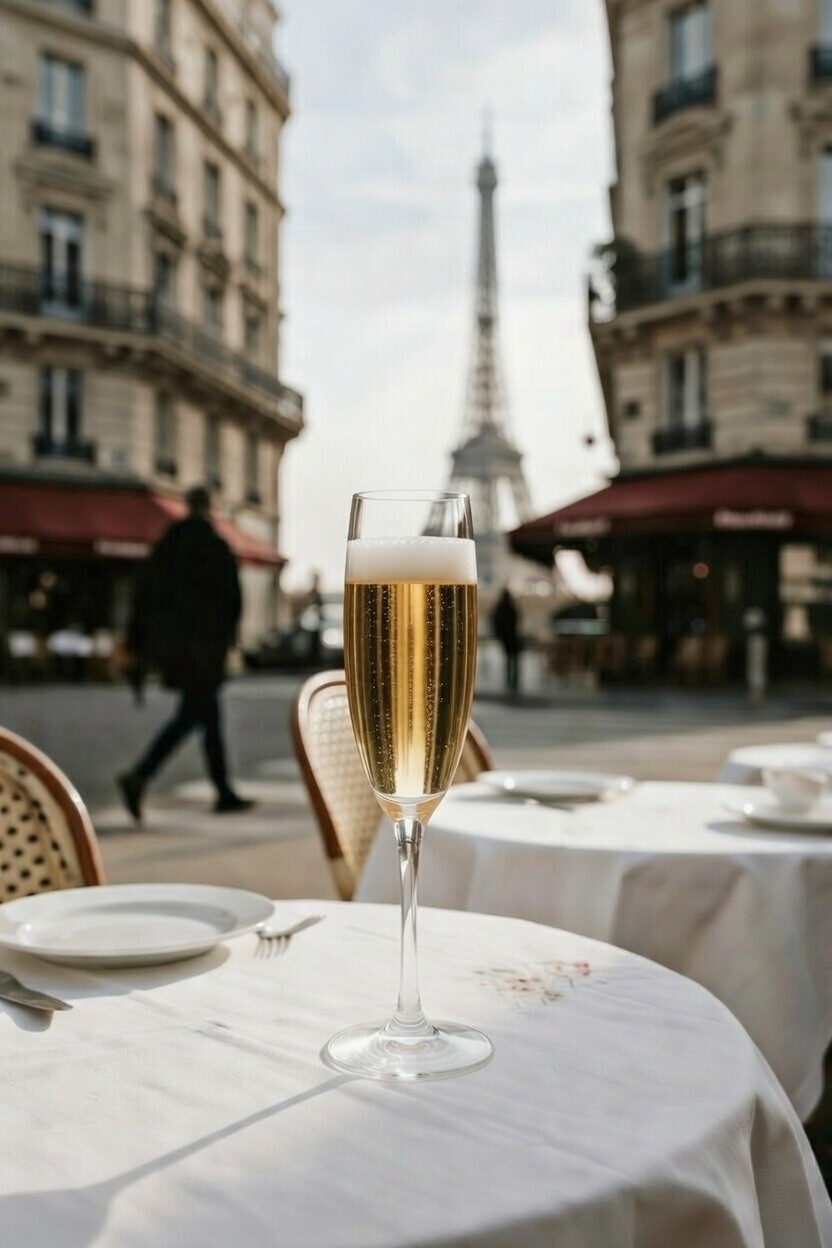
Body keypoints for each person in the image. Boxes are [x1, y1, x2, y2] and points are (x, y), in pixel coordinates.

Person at [117, 485, 253, 821]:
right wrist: (228, 640)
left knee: (203, 716)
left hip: (175, 650)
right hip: (206, 649)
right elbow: (233, 601)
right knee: (196, 715)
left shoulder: (168, 545)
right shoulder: (215, 546)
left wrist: (137, 644)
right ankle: (141, 775)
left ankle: (220, 790)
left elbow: (144, 597)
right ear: (209, 507)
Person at [491, 587, 522, 696]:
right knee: (514, 659)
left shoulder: (499, 608)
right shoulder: (511, 607)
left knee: (509, 659)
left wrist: (499, 634)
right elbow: (516, 620)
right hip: (511, 636)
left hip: (505, 637)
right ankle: (514, 680)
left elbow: (495, 621)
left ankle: (510, 679)